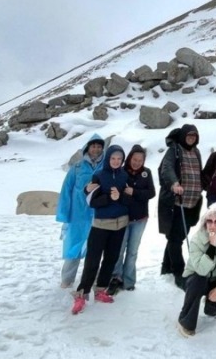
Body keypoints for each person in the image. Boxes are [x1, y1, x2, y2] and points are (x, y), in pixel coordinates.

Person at [71, 145, 131, 314]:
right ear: (108, 158)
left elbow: (128, 200)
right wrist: (108, 198)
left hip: (120, 224)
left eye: (119, 159)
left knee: (111, 259)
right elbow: (91, 200)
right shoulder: (99, 176)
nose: (116, 161)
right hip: (101, 224)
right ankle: (82, 294)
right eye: (113, 158)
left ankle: (100, 290)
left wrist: (122, 197)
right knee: (92, 260)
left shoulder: (124, 175)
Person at [177, 204, 216, 337]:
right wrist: (212, 245)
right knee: (199, 281)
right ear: (205, 222)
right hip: (195, 278)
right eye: (209, 221)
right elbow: (201, 270)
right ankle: (185, 321)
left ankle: (211, 306)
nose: (213, 225)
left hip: (215, 279)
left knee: (215, 306)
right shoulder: (197, 239)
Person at [57, 133, 105, 289]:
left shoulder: (106, 166)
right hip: (78, 215)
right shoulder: (77, 167)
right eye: (93, 146)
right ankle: (67, 280)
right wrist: (64, 214)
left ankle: (95, 278)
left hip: (98, 214)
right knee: (74, 247)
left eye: (99, 146)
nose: (96, 149)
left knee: (97, 248)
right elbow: (66, 190)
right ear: (88, 148)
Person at [158, 124, 203, 289]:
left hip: (193, 203)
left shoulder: (196, 151)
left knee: (178, 236)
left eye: (194, 135)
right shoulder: (175, 150)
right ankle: (179, 272)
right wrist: (174, 183)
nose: (191, 138)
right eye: (189, 135)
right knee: (176, 239)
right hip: (178, 202)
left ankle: (166, 265)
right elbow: (167, 168)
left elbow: (199, 172)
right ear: (183, 136)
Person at [108, 144, 156, 294]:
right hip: (123, 217)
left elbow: (151, 193)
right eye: (134, 159)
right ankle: (116, 277)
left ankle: (128, 280)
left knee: (133, 251)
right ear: (130, 158)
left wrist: (134, 192)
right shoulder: (122, 172)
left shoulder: (146, 173)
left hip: (140, 218)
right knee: (119, 249)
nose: (137, 162)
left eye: (140, 160)